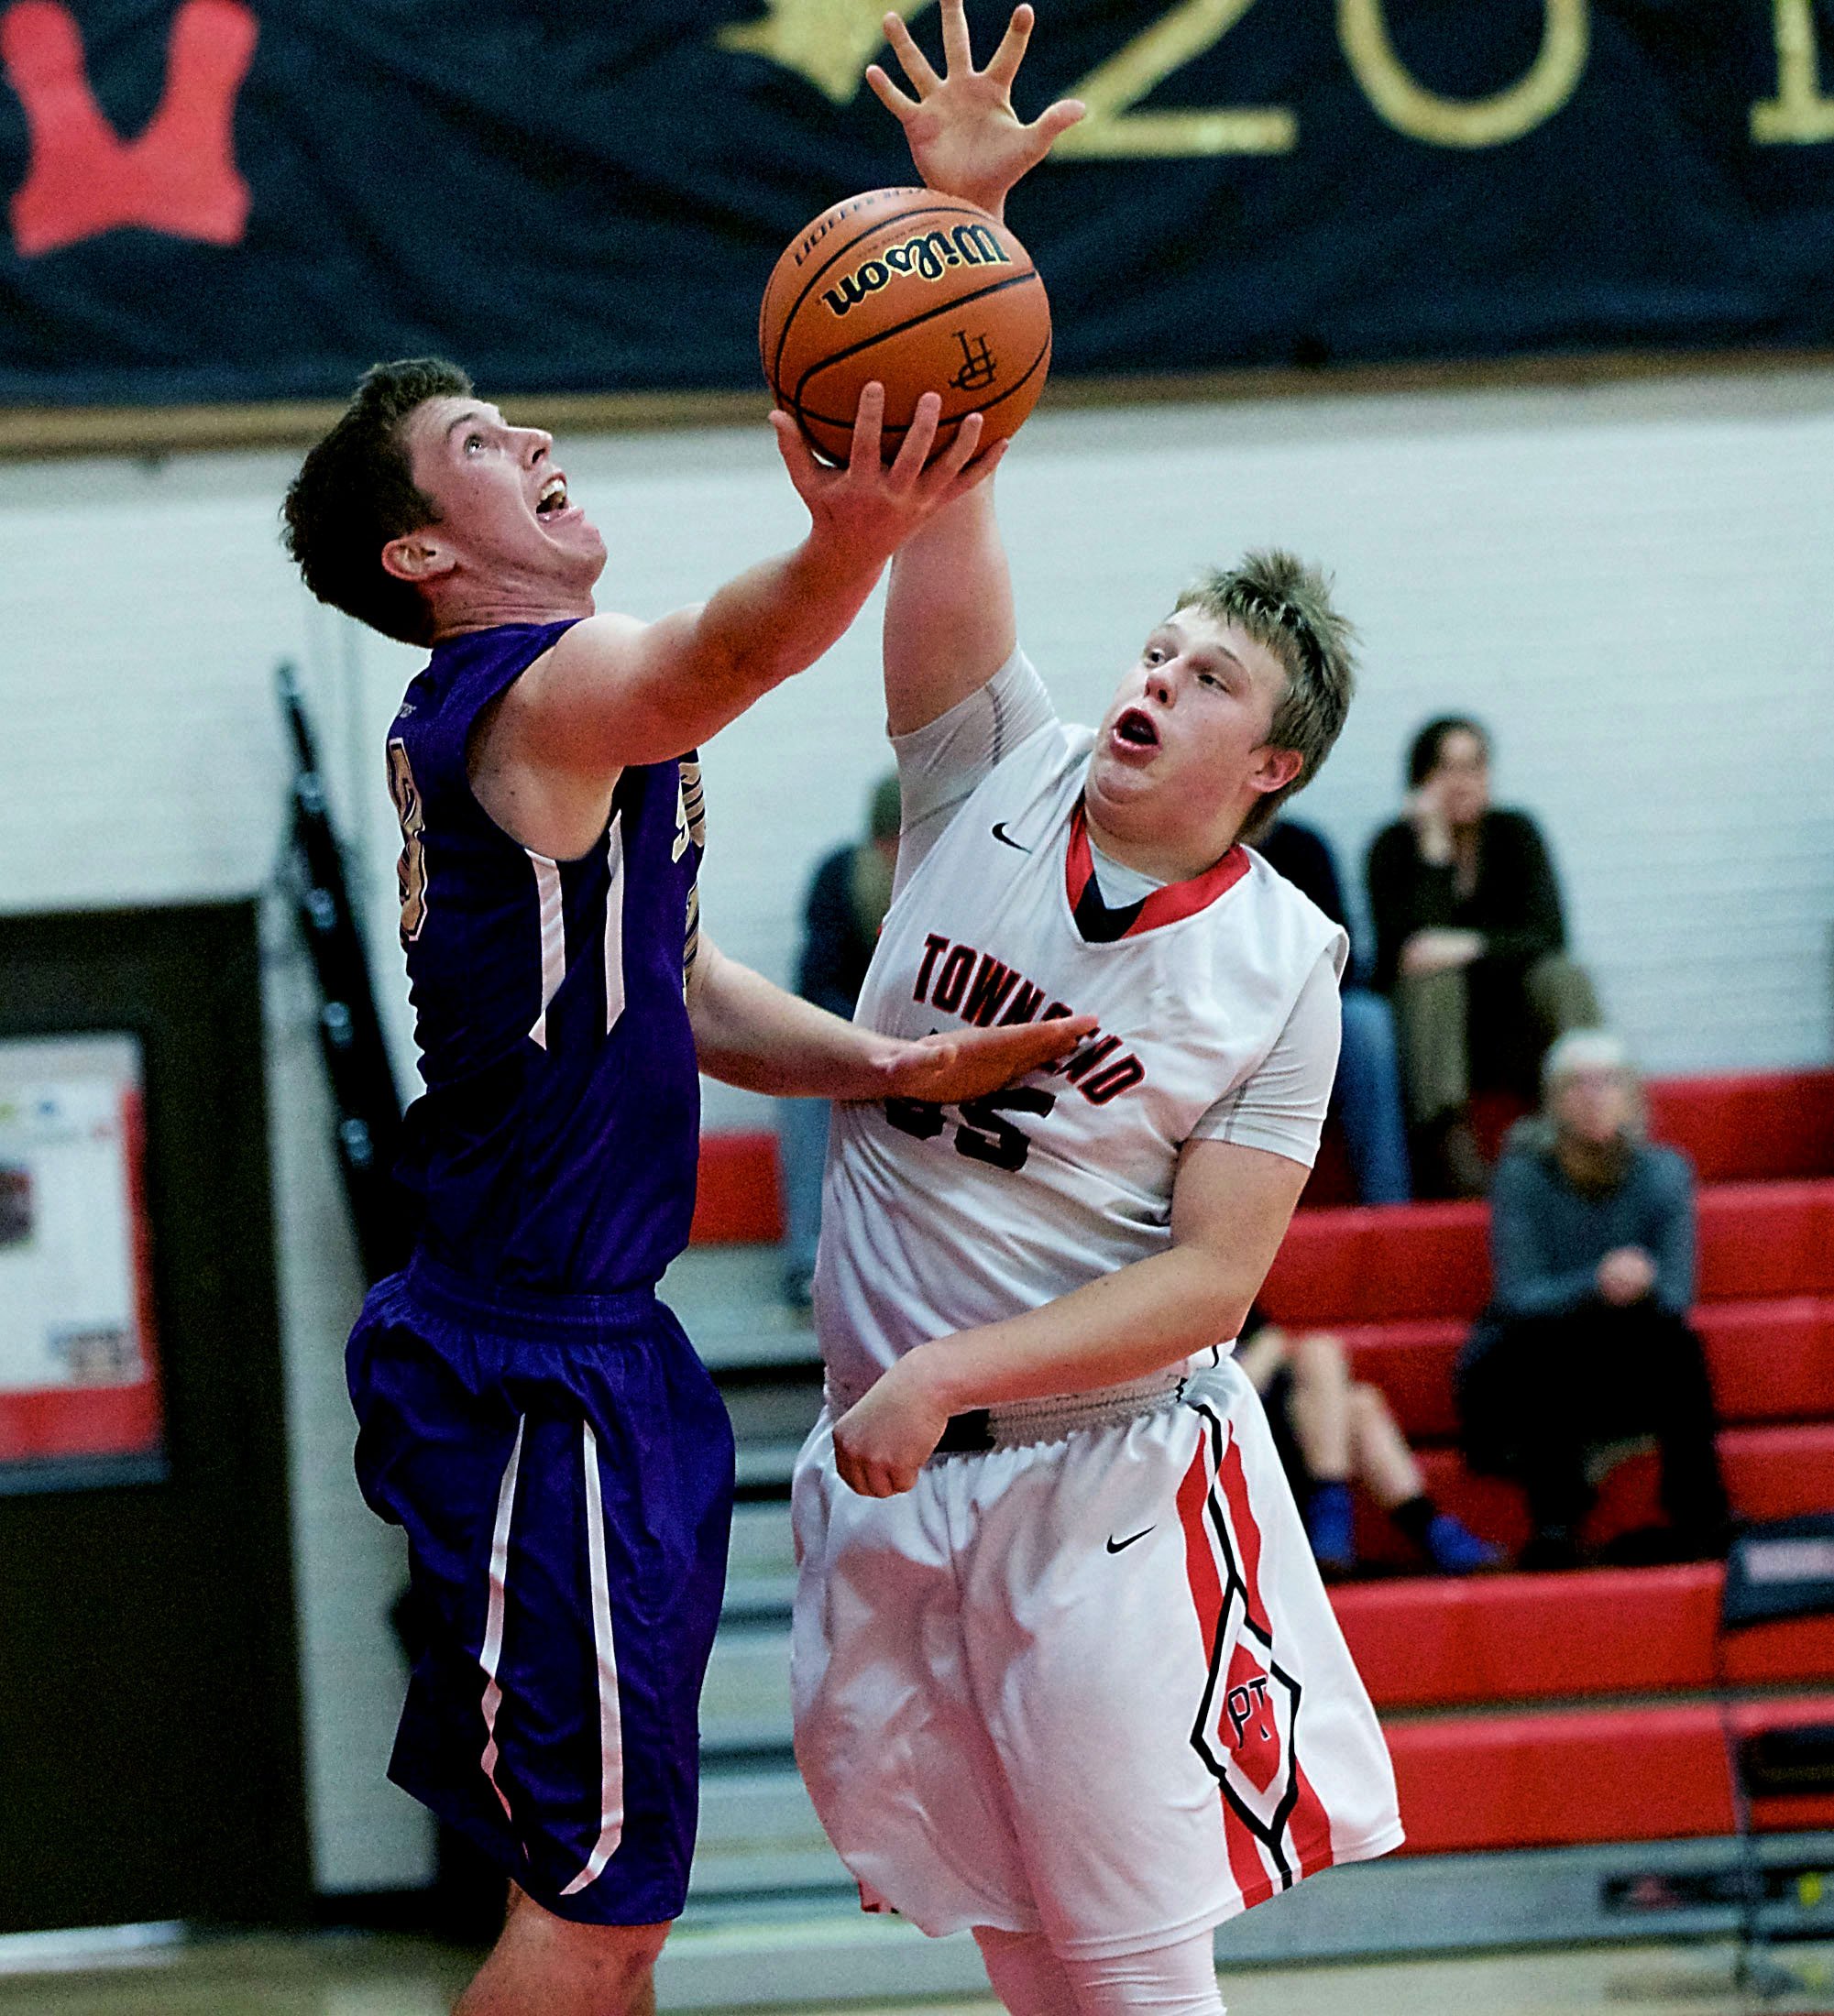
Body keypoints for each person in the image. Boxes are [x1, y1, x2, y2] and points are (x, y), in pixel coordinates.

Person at [280, 356, 1092, 2016]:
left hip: (601, 1360)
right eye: (479, 448)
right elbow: (728, 653)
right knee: (591, 1918)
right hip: (525, 1373)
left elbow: (683, 977)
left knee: (619, 1909)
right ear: (424, 554)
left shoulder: (582, 722)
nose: (534, 441)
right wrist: (853, 536)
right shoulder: (516, 695)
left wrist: (877, 1065)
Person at [789, 14, 1402, 2013]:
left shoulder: (1283, 969)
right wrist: (953, 223)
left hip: (1106, 1487)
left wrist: (951, 1368)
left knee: (1135, 1984)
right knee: (1023, 1972)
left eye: (1206, 675)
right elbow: (942, 481)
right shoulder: (988, 756)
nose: (1151, 677)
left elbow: (1208, 1286)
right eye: (1152, 644)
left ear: (1271, 764)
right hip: (906, 1470)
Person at [1455, 1030, 1732, 1572]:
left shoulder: (1665, 1171)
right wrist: (1597, 1284)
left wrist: (1641, 1285)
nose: (1593, 1095)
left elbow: (1677, 1296)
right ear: (1553, 1101)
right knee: (1545, 1346)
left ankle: (1700, 1511)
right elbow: (1518, 1297)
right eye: (1576, 1084)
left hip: (1622, 1361)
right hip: (1528, 1369)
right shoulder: (1522, 1173)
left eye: (1608, 1082)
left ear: (1633, 1095)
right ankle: (1554, 1524)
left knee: (1680, 1345)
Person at [1365, 716, 1600, 1198]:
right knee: (1433, 979)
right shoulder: (1392, 848)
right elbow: (1403, 954)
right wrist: (1433, 849)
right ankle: (1450, 1154)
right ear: (1420, 781)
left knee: (1564, 975)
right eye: (1447, 768)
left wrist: (1468, 946)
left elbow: (1548, 936)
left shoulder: (1516, 834)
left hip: (1513, 1027)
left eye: (1474, 766)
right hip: (1436, 1044)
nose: (1463, 781)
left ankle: (1594, 1124)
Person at [1235, 1306, 1501, 1577]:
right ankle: (1430, 1530)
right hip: (1232, 1441)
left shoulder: (1224, 1298)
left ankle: (1333, 1513)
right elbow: (1227, 1396)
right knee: (1337, 1379)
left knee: (1345, 1382)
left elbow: (1270, 1337)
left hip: (1284, 1431)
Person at [778, 772, 902, 1309]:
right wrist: (862, 1042)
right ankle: (808, 1262)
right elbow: (814, 981)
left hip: (934, 1051)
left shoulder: (958, 880)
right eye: (889, 843)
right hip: (850, 1039)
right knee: (803, 1093)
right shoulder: (842, 876)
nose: (898, 854)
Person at [1255, 815, 1411, 1204]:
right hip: (1230, 1008)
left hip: (1307, 1002)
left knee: (1368, 1020)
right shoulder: (1194, 846)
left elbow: (1343, 954)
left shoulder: (1305, 846)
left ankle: (1388, 1205)